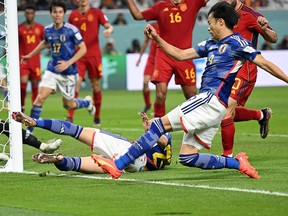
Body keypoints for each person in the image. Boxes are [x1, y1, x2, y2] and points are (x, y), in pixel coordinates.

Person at [91, 1, 288, 180]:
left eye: (210, 22)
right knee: (187, 156)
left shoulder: (238, 43)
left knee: (158, 126)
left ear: (221, 22)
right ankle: (238, 163)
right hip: (214, 107)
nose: (208, 27)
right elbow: (181, 54)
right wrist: (158, 39)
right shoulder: (210, 44)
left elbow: (265, 64)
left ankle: (117, 165)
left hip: (210, 100)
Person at [12, 111, 172, 174]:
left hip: (125, 148)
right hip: (133, 166)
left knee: (75, 130)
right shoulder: (163, 154)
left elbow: (164, 140)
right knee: (77, 164)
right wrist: (149, 131)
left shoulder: (163, 134)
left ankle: (35, 122)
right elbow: (163, 146)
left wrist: (151, 129)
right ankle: (60, 160)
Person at [21, 0, 94, 135]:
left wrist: (68, 63)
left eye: (60, 12)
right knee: (40, 98)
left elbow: (83, 49)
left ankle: (87, 103)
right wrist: (30, 55)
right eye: (55, 12)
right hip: (52, 69)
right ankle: (29, 132)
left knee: (68, 105)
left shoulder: (71, 30)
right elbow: (45, 42)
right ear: (51, 14)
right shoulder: (47, 29)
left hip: (69, 72)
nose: (57, 15)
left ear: (64, 14)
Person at [126, 0, 209, 118]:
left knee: (191, 96)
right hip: (164, 55)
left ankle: (196, 128)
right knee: (160, 94)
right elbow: (137, 15)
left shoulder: (192, 3)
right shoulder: (161, 6)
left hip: (185, 55)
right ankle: (157, 130)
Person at [221, 0, 279, 157]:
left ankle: (227, 157)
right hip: (227, 70)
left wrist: (264, 28)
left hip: (245, 70)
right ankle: (262, 115)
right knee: (225, 113)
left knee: (226, 111)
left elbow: (274, 38)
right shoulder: (222, 12)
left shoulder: (250, 15)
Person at [67, 0, 114, 126]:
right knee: (76, 83)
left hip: (93, 55)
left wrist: (109, 30)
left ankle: (97, 116)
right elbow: (69, 34)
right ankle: (70, 117)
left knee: (96, 85)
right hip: (79, 55)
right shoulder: (72, 15)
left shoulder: (97, 12)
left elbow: (109, 26)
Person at [18, 5, 45, 113]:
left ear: (34, 14)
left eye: (31, 13)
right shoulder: (19, 29)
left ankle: (35, 109)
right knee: (23, 85)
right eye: (27, 13)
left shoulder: (40, 28)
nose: (29, 15)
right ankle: (22, 106)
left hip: (35, 62)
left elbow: (46, 42)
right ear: (25, 14)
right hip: (23, 61)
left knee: (35, 86)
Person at [136, 22, 159, 114]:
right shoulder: (152, 26)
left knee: (159, 86)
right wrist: (140, 57)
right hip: (151, 59)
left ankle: (157, 108)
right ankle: (148, 104)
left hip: (160, 58)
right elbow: (145, 41)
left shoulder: (166, 24)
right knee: (145, 82)